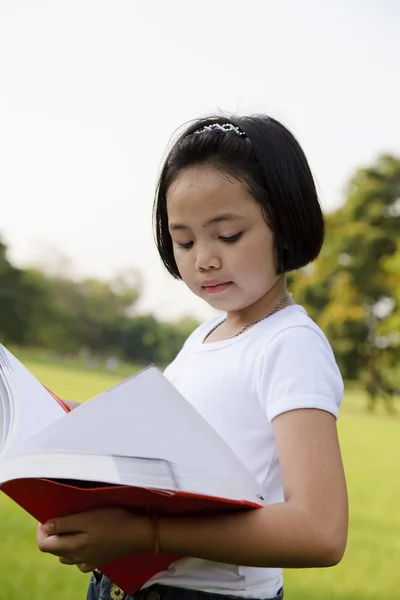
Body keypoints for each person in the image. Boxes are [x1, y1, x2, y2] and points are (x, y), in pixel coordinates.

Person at [36, 115, 348, 600]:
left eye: (226, 236)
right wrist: (69, 422)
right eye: (184, 240)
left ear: (284, 225)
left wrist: (145, 534)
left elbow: (320, 530)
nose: (203, 258)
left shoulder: (290, 345)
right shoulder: (207, 335)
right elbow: (172, 452)